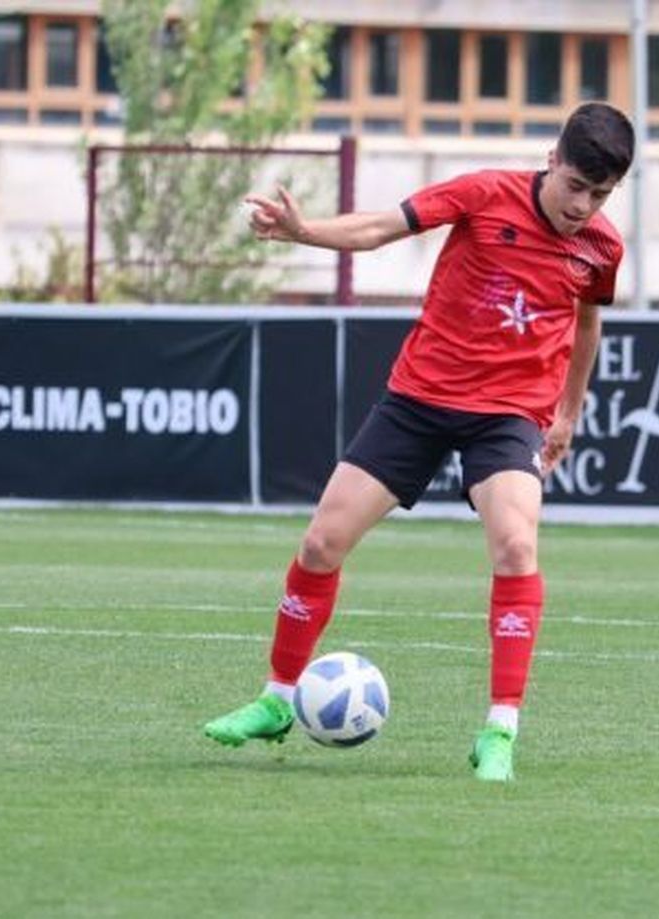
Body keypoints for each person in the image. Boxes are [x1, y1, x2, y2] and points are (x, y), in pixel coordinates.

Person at [203, 102, 632, 782]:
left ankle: (499, 731)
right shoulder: (483, 194)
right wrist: (303, 231)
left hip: (508, 416)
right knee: (321, 542)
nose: (582, 205)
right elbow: (380, 226)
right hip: (419, 399)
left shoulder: (602, 246)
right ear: (552, 160)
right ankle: (277, 699)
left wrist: (568, 413)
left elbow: (586, 325)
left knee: (517, 544)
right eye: (576, 185)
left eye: (600, 194)